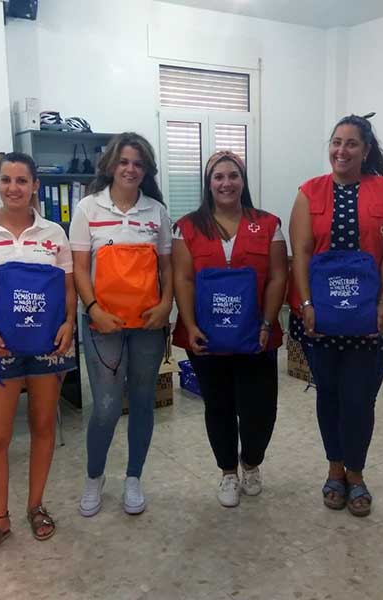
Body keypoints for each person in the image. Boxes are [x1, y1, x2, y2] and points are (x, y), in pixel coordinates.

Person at [0, 152, 77, 563]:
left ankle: (35, 505)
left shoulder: (54, 234)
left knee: (44, 426)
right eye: (6, 179)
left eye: (21, 180)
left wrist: (68, 323)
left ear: (35, 185)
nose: (13, 187)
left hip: (45, 347)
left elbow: (68, 287)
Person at [289, 114, 383, 517]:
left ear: (366, 150)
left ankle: (355, 473)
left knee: (359, 399)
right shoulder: (309, 192)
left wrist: (382, 304)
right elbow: (301, 254)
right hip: (321, 318)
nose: (342, 150)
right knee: (330, 396)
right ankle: (334, 469)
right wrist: (306, 304)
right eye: (336, 142)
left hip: (370, 317)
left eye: (351, 143)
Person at [172, 150, 287, 507]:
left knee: (260, 410)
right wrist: (189, 325)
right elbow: (183, 278)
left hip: (256, 335)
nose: (226, 183)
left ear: (243, 181)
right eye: (218, 177)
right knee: (219, 407)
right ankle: (227, 473)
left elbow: (278, 277)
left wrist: (267, 323)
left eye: (233, 175)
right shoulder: (187, 227)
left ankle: (251, 462)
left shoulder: (268, 224)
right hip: (207, 338)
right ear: (208, 184)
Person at [70, 132, 172, 517]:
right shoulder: (87, 210)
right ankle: (95, 476)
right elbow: (79, 269)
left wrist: (166, 305)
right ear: (111, 165)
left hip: (148, 323)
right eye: (124, 162)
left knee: (143, 402)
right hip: (102, 325)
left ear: (146, 171)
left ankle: (134, 477)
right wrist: (93, 308)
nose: (131, 169)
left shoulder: (156, 212)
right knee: (107, 407)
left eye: (139, 164)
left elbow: (168, 267)